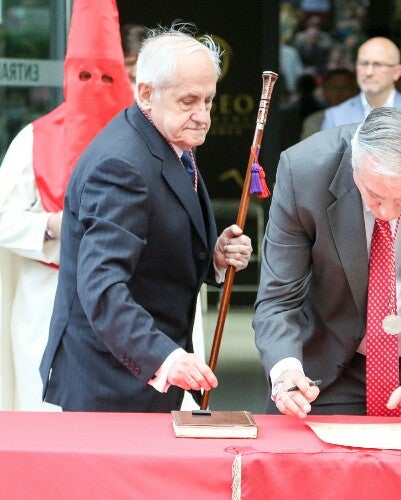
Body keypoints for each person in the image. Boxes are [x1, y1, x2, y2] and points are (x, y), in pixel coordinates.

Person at [39, 25, 253, 412]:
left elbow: (157, 239)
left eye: (208, 100)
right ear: (146, 94)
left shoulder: (164, 138)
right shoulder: (121, 164)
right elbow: (102, 287)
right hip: (109, 383)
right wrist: (165, 359)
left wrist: (214, 257)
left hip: (137, 375)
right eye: (189, 100)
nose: (203, 116)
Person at [253, 107, 401, 421]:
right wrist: (286, 371)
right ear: (354, 164)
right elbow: (277, 298)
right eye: (373, 195)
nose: (386, 212)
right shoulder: (304, 172)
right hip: (327, 362)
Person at [0, 0, 134, 410]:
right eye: (83, 75)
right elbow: (3, 220)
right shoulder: (34, 138)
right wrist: (51, 226)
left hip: (128, 306)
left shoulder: (148, 141)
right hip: (45, 305)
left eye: (107, 75)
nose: (95, 84)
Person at [320, 37, 401, 130]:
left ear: (397, 72)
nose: (369, 72)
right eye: (363, 64)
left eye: (379, 64)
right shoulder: (335, 116)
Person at [301, 68, 358, 139]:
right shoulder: (314, 122)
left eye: (345, 88)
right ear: (325, 92)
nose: (339, 93)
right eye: (334, 88)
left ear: (356, 91)